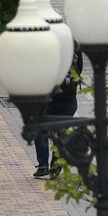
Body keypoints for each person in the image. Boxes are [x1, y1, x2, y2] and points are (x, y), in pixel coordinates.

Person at [33, 47, 82, 180]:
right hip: (68, 98)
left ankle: (43, 166)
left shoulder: (42, 41)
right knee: (62, 132)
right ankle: (55, 166)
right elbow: (79, 69)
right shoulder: (73, 43)